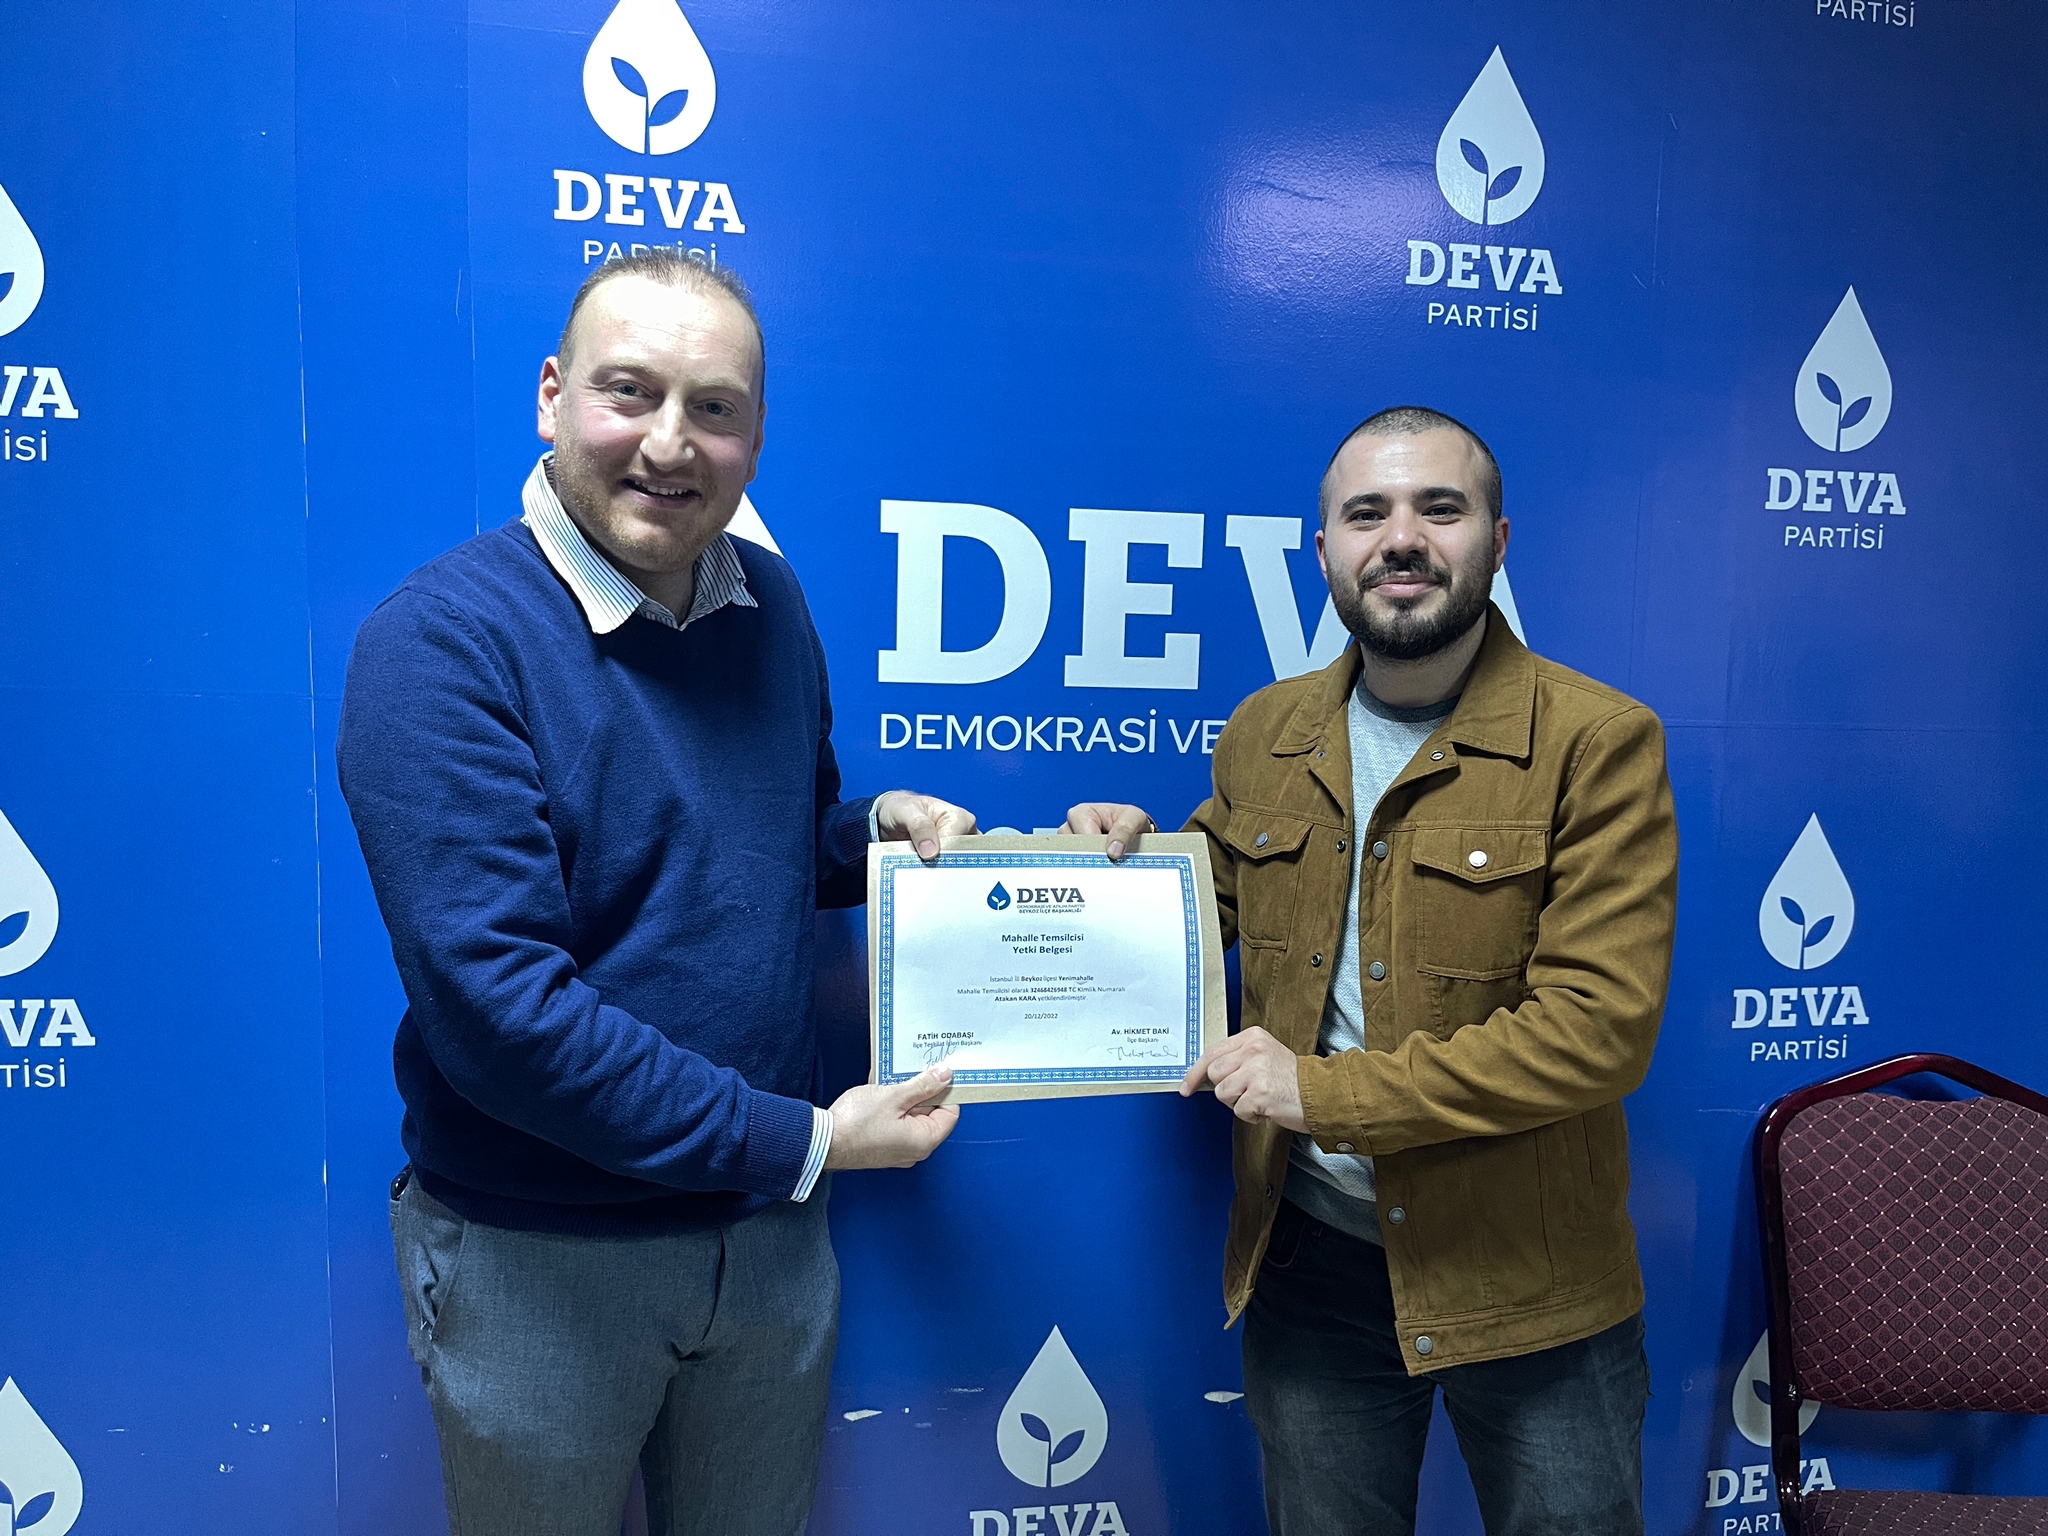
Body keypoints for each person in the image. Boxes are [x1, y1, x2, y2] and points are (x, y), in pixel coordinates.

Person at [337, 250, 974, 1536]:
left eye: (714, 408)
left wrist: (870, 837)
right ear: (552, 396)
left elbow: (761, 844)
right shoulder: (441, 642)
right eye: (628, 392)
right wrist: (804, 1143)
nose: (670, 445)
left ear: (755, 436)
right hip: (543, 1253)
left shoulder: (769, 601)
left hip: (769, 1240)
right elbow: (503, 1016)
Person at [1068, 407, 1678, 1535]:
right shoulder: (1266, 732)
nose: (1401, 539)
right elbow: (1201, 910)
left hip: (1529, 1279)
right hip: (1315, 1267)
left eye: (1438, 508)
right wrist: (1118, 868)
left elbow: (1596, 1032)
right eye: (1367, 514)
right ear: (1324, 552)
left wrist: (1320, 1093)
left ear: (1497, 540)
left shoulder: (1597, 743)